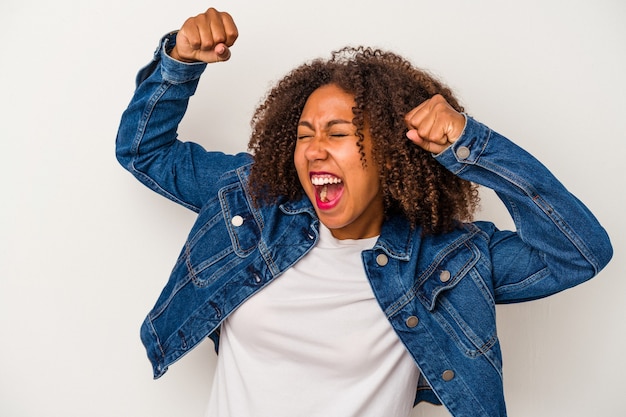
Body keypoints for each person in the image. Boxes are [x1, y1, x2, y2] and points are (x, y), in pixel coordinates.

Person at [116, 7, 612, 417]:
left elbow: (579, 252)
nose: (313, 150)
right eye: (304, 134)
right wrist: (179, 64)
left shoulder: (445, 259)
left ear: (394, 152)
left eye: (336, 133)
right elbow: (145, 152)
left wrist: (472, 146)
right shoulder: (254, 201)